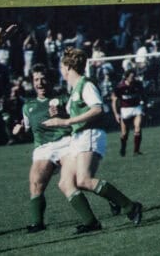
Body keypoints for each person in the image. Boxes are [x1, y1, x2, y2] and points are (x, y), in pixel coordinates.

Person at [43, 47, 143, 233]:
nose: (61, 71)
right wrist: (62, 114)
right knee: (65, 183)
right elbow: (81, 111)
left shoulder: (86, 84)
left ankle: (130, 206)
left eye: (61, 67)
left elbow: (97, 108)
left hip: (90, 134)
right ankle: (91, 222)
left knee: (84, 180)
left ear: (67, 67)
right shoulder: (74, 89)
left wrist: (66, 120)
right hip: (78, 136)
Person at [12, 65, 74, 232]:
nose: (40, 83)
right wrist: (18, 131)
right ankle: (37, 223)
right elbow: (26, 129)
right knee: (36, 183)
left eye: (43, 79)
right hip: (43, 148)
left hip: (66, 142)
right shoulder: (28, 106)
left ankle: (112, 201)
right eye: (36, 80)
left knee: (79, 182)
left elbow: (78, 119)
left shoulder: (63, 98)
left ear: (51, 80)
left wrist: (64, 115)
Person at [111, 69, 146, 156]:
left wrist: (144, 105)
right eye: (131, 77)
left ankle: (136, 151)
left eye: (134, 76)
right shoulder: (120, 87)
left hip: (136, 108)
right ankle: (123, 148)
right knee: (124, 134)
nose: (133, 78)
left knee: (137, 129)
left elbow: (143, 95)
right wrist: (116, 114)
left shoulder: (138, 84)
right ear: (126, 77)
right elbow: (114, 100)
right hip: (125, 110)